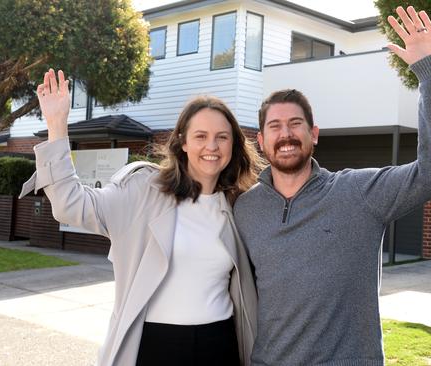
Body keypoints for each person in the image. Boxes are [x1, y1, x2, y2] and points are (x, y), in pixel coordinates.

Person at [233, 6, 431, 366]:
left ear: (313, 135)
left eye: (295, 124)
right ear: (261, 141)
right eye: (275, 127)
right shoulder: (244, 209)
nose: (286, 134)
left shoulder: (359, 194)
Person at [19, 69, 261, 366]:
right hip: (153, 345)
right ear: (183, 142)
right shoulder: (143, 190)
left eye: (222, 137)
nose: (212, 146)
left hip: (219, 344)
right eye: (201, 136)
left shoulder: (241, 204)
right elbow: (71, 206)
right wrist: (57, 125)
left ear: (233, 145)